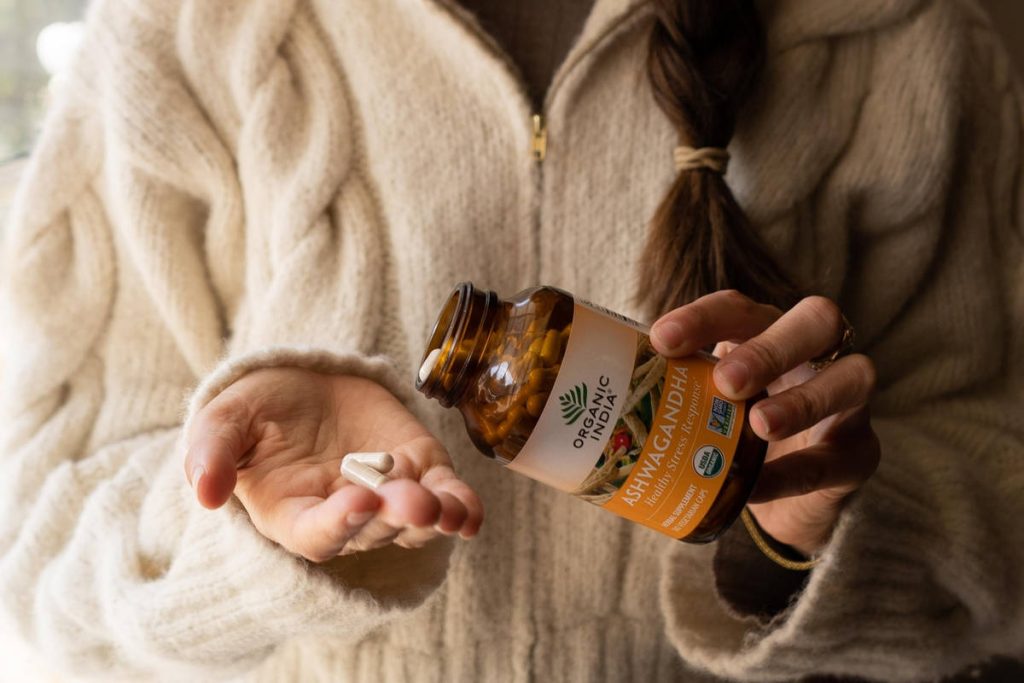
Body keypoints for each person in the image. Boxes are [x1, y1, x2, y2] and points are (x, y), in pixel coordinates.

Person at [0, 0, 1021, 680]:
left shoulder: (906, 32)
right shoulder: (180, 33)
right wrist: (242, 530)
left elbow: (1001, 511)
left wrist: (800, 541)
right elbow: (31, 549)